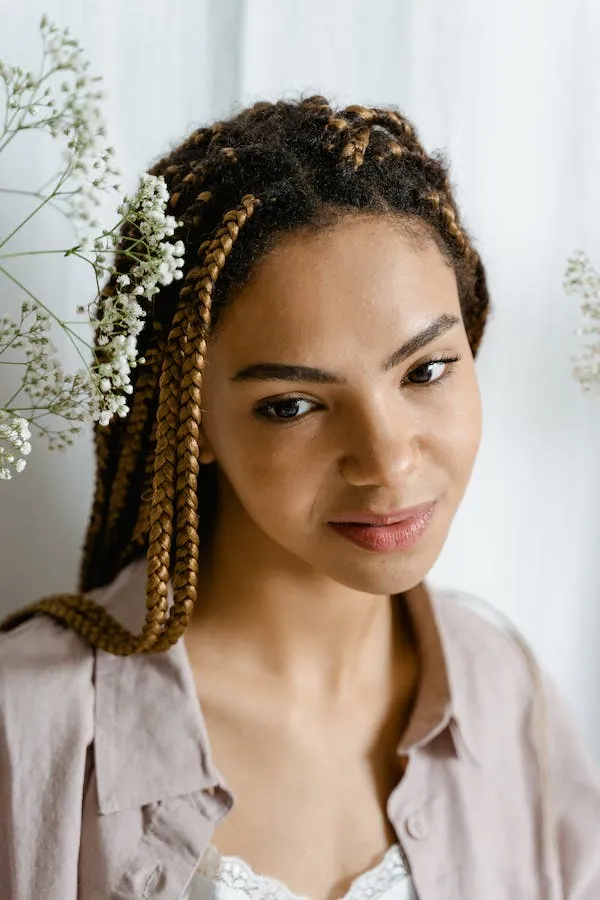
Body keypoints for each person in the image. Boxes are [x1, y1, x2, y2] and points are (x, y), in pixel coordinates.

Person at [0, 96, 599, 900]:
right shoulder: (28, 725)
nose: (387, 462)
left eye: (425, 370)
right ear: (191, 421)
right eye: (292, 405)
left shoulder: (509, 692)